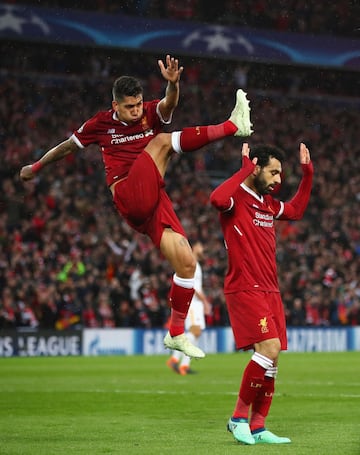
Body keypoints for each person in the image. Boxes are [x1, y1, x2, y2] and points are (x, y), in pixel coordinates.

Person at [19, 54, 253, 359]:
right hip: (128, 194)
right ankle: (232, 127)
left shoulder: (149, 112)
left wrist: (174, 85)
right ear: (115, 105)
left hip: (154, 197)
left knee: (186, 261)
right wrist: (35, 167)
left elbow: (168, 105)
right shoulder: (99, 124)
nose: (135, 111)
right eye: (129, 107)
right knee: (161, 144)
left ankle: (176, 333)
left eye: (138, 104)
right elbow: (67, 147)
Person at [210, 142, 313, 444]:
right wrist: (242, 170)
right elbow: (216, 198)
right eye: (273, 172)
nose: (278, 180)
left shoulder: (266, 203)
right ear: (255, 167)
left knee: (273, 358)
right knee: (267, 349)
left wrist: (307, 175)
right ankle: (237, 418)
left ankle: (259, 425)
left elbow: (294, 211)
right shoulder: (236, 198)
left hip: (270, 289)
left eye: (280, 173)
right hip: (245, 287)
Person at [166, 241, 210, 375]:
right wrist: (205, 302)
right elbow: (194, 286)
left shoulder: (196, 264)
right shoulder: (192, 263)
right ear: (195, 247)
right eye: (201, 246)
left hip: (196, 303)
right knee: (194, 332)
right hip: (192, 303)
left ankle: (182, 364)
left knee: (195, 333)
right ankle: (175, 359)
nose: (203, 249)